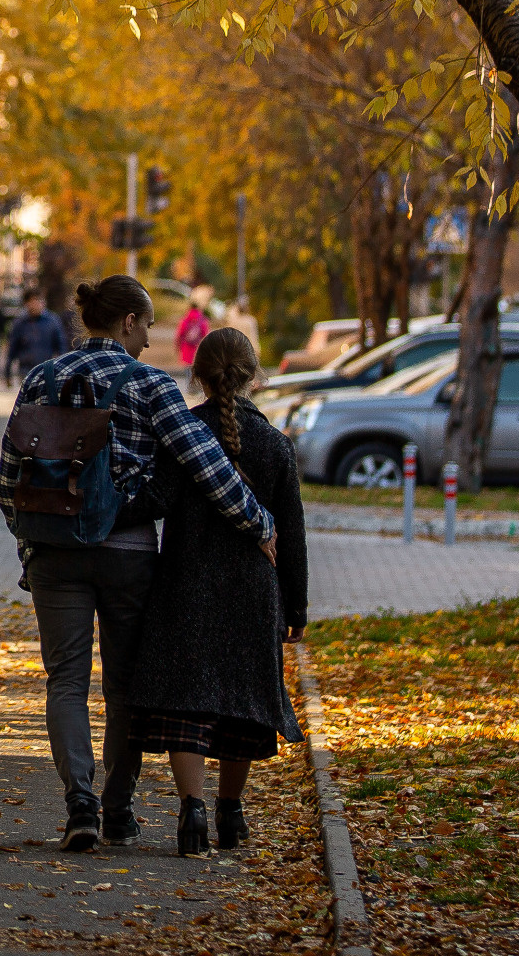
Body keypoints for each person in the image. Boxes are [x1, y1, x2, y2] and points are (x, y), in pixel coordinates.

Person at [0, 278, 277, 854]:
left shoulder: (41, 379)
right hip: (126, 552)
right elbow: (207, 465)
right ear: (127, 322)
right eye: (147, 326)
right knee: (125, 686)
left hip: (54, 555)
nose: (150, 341)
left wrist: (31, 547)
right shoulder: (150, 384)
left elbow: (8, 481)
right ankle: (117, 810)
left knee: (66, 682)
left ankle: (80, 804)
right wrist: (260, 524)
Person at [129, 325, 309, 856]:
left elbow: (155, 499)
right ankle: (231, 812)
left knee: (188, 702)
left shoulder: (183, 435)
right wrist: (295, 605)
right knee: (243, 705)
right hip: (253, 594)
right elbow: (291, 534)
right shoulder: (275, 445)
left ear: (198, 374)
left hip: (186, 584)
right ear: (254, 376)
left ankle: (192, 810)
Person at [5, 290, 68, 380]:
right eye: (32, 301)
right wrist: (7, 372)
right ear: (26, 303)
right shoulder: (20, 322)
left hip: (47, 368)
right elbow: (12, 347)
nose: (36, 304)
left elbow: (61, 344)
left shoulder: (52, 321)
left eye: (39, 301)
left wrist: (62, 368)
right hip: (25, 370)